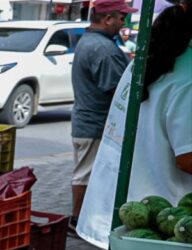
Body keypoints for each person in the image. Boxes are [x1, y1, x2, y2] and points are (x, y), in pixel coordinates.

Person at [78, 2, 192, 248]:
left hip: (127, 207)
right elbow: (187, 157)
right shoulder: (187, 75)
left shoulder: (147, 58)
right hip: (156, 217)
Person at [70, 0, 134, 228]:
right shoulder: (103, 49)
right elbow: (119, 91)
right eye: (121, 18)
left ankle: (81, 218)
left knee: (87, 173)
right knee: (86, 174)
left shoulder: (92, 42)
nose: (123, 22)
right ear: (108, 19)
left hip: (89, 121)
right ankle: (77, 219)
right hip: (95, 124)